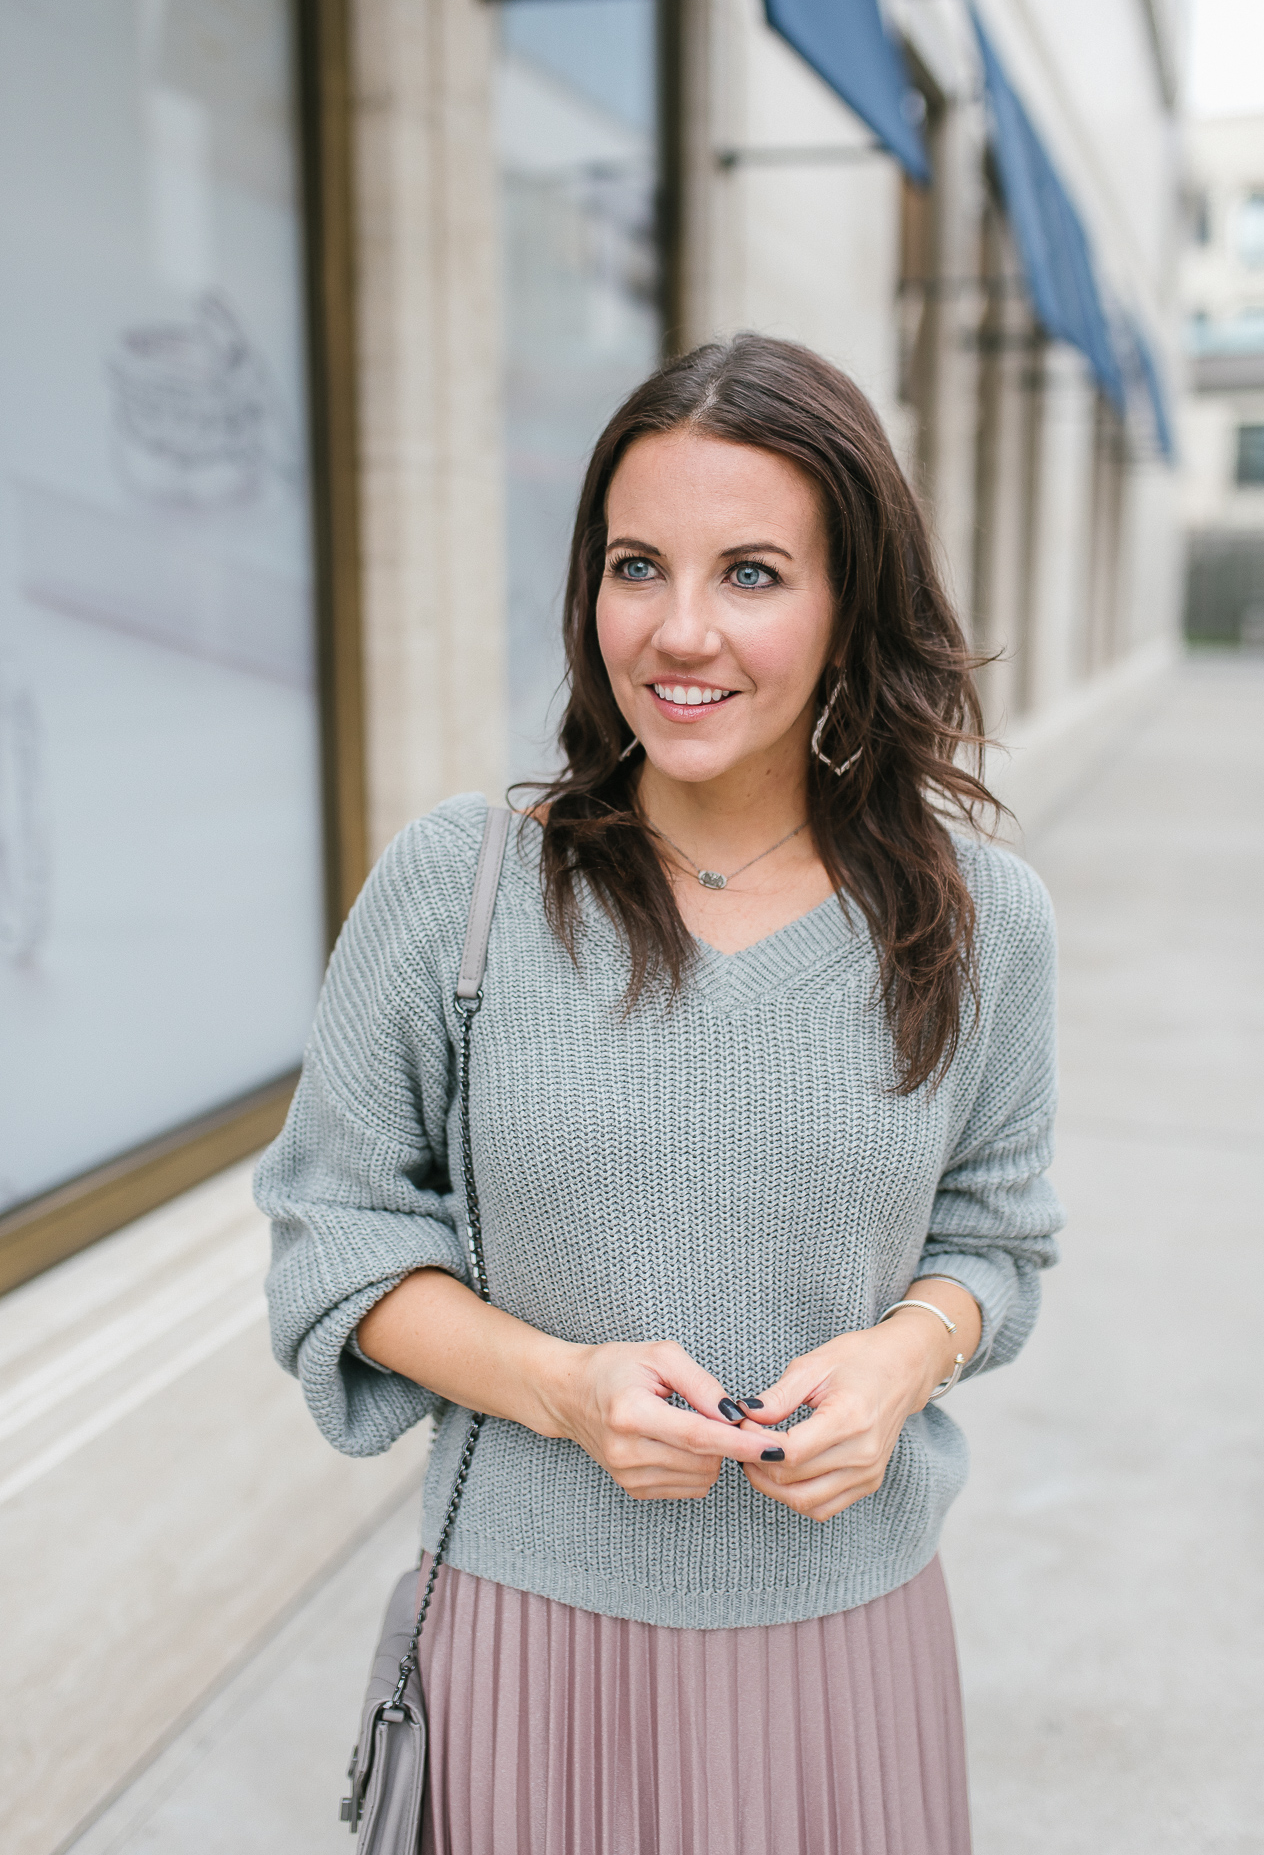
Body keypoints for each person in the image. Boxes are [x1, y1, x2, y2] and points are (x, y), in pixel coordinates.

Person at [256, 333, 1063, 1855]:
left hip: (849, 1650)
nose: (679, 632)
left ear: (847, 605)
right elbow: (334, 1234)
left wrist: (904, 1359)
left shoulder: (980, 917)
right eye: (639, 566)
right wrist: (561, 1388)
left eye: (751, 573)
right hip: (526, 1636)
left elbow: (995, 1239)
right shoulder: (463, 886)